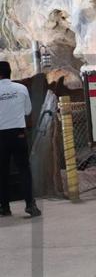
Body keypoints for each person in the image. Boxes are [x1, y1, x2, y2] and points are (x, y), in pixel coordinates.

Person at [0, 61, 41, 218]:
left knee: (2, 172)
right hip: (18, 134)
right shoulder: (21, 88)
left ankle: (4, 207)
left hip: (1, 136)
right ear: (9, 72)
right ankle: (30, 205)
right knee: (24, 169)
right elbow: (28, 110)